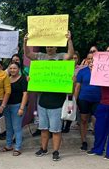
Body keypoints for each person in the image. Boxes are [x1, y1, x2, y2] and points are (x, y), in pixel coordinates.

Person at [24, 31, 74, 161]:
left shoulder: (61, 56)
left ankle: (56, 151)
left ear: (56, 47)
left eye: (51, 46)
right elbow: (28, 54)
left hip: (57, 101)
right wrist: (25, 42)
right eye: (47, 46)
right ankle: (43, 148)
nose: (49, 48)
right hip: (42, 101)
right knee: (44, 128)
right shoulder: (41, 56)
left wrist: (69, 40)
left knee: (56, 130)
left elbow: (70, 54)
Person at [73, 54, 100, 151]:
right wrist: (74, 101)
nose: (91, 60)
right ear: (86, 60)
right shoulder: (82, 72)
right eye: (89, 58)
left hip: (97, 99)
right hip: (83, 99)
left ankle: (98, 141)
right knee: (83, 120)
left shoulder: (101, 71)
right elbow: (77, 87)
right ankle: (84, 141)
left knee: (96, 120)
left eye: (93, 58)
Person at [1, 62, 28, 156]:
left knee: (17, 127)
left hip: (18, 106)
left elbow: (25, 94)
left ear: (19, 69)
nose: (12, 70)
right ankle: (8, 145)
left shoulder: (23, 79)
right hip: (7, 106)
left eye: (14, 68)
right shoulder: (7, 79)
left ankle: (18, 147)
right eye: (10, 68)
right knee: (8, 127)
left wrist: (22, 108)